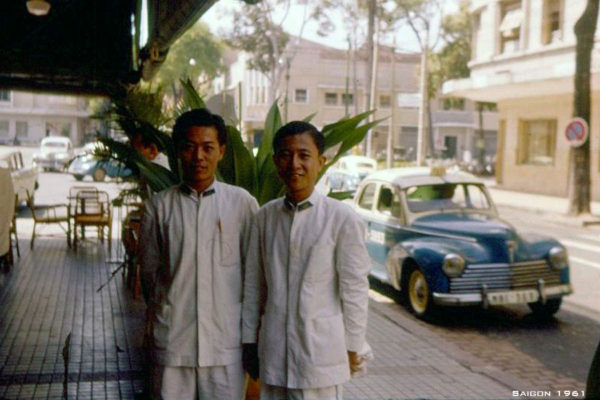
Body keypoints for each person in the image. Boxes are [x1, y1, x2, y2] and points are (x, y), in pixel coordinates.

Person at [241, 121, 371, 400]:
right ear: (276, 161)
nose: (294, 164)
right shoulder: (264, 218)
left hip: (321, 357)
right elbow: (254, 287)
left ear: (321, 162)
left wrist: (353, 347)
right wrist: (250, 342)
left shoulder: (342, 219)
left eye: (304, 155)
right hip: (274, 353)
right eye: (286, 155)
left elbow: (355, 289)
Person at [138, 108, 258, 399]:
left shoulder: (242, 204)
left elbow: (254, 276)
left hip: (224, 346)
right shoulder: (160, 206)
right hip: (173, 343)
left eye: (208, 148)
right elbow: (150, 274)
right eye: (190, 147)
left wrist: (251, 339)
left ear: (222, 152)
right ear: (179, 151)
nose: (198, 156)